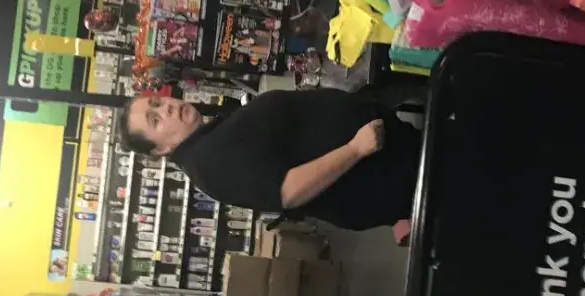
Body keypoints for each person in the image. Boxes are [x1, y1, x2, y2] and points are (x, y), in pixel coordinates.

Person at [120, 90, 419, 237]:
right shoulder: (209, 164)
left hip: (393, 157)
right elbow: (286, 192)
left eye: (157, 102)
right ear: (161, 149)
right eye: (155, 119)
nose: (167, 108)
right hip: (390, 174)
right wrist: (355, 149)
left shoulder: (207, 143)